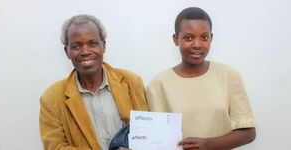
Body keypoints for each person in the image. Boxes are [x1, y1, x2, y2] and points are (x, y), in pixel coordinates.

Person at [146, 7, 256, 150]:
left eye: (204, 37)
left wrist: (207, 145)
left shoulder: (229, 76)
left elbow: (248, 133)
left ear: (211, 38)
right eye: (188, 38)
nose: (197, 44)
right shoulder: (158, 85)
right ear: (176, 39)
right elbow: (156, 140)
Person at [39, 14, 148, 150]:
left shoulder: (132, 82)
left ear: (103, 46)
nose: (85, 51)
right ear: (67, 52)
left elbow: (148, 134)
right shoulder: (51, 98)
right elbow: (55, 147)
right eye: (76, 46)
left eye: (92, 44)